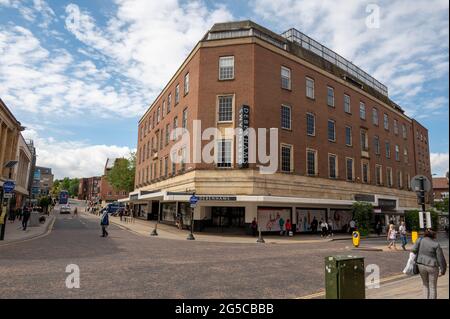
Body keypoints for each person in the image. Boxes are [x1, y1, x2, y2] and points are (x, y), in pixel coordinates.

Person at [411, 229, 447, 299]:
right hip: (432, 266)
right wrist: (443, 270)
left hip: (421, 265)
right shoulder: (436, 245)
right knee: (432, 286)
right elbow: (441, 259)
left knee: (425, 284)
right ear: (433, 235)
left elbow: (413, 250)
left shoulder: (419, 240)